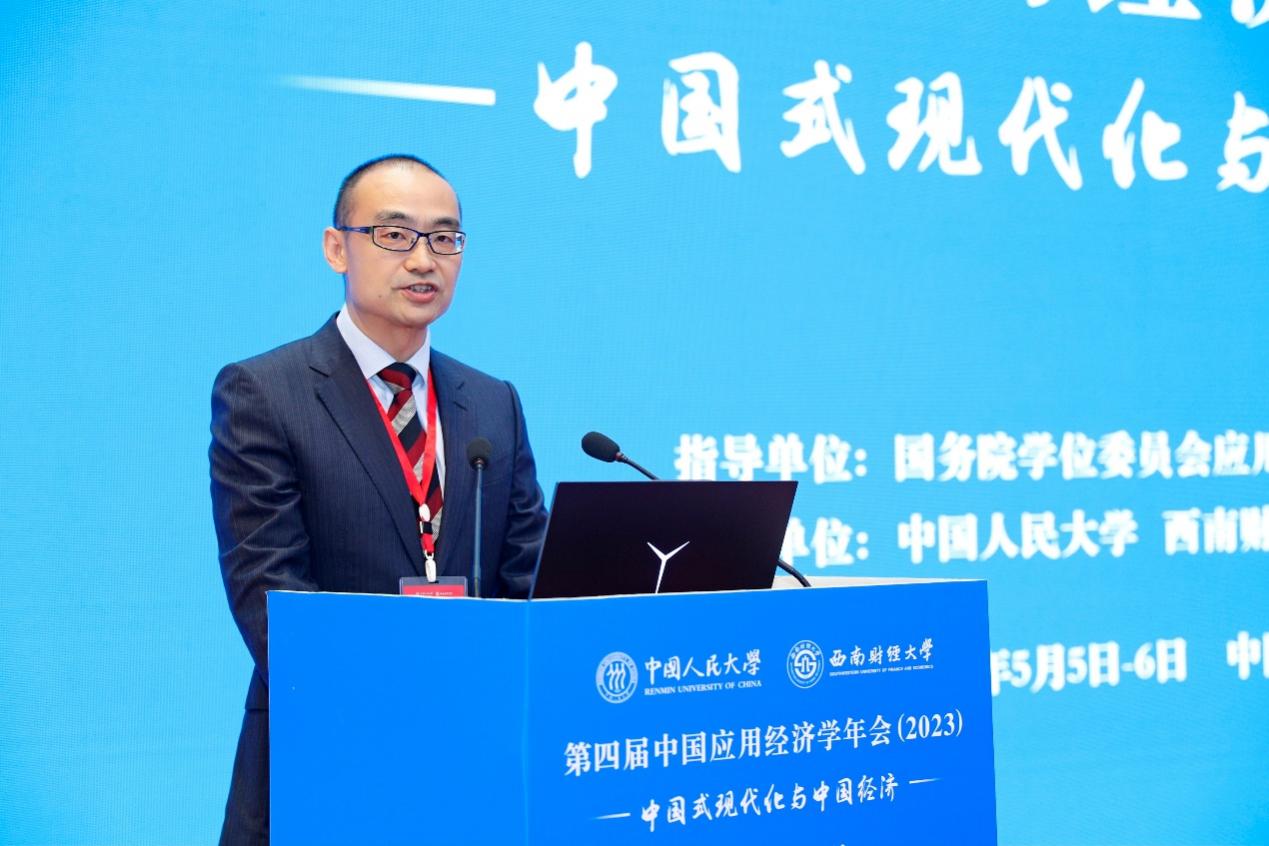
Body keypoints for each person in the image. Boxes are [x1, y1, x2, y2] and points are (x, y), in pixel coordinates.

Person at [209, 155, 548, 845]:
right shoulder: (265, 393)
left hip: (474, 765)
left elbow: (529, 579)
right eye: (394, 235)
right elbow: (270, 596)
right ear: (337, 247)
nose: (423, 259)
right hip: (327, 759)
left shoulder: (492, 403)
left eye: (444, 238)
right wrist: (410, 708)